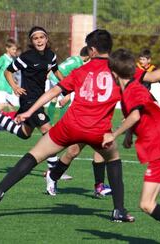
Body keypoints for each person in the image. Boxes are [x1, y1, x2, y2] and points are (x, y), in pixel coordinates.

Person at [0, 29, 135, 222]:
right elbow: (147, 79)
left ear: (92, 50)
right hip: (98, 131)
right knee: (114, 159)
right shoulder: (119, 70)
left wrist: (29, 111)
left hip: (70, 126)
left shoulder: (81, 70)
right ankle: (119, 210)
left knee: (34, 154)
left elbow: (53, 91)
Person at [0, 26, 69, 184]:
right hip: (28, 99)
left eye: (41, 37)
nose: (39, 40)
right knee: (48, 131)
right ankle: (53, 172)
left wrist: (68, 84)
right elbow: (8, 71)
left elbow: (56, 70)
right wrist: (15, 87)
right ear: (32, 41)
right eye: (35, 38)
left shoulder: (51, 55)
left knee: (24, 133)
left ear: (46, 39)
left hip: (40, 98)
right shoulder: (26, 57)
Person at [104, 48, 160, 230]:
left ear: (113, 73)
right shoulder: (132, 88)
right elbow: (139, 113)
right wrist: (128, 134)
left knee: (147, 204)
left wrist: (115, 134)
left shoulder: (132, 91)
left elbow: (134, 115)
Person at [47, 47, 111, 197]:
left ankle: (99, 186)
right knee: (73, 151)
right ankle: (52, 176)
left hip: (99, 118)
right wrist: (67, 94)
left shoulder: (107, 69)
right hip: (84, 118)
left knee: (101, 149)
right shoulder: (83, 68)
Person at [0, 38, 17, 111]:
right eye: (13, 49)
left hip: (8, 87)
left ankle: (12, 122)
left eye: (15, 49)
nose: (15, 51)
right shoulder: (2, 58)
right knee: (1, 106)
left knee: (11, 107)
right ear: (7, 48)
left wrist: (14, 82)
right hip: (1, 86)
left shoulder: (12, 60)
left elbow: (10, 73)